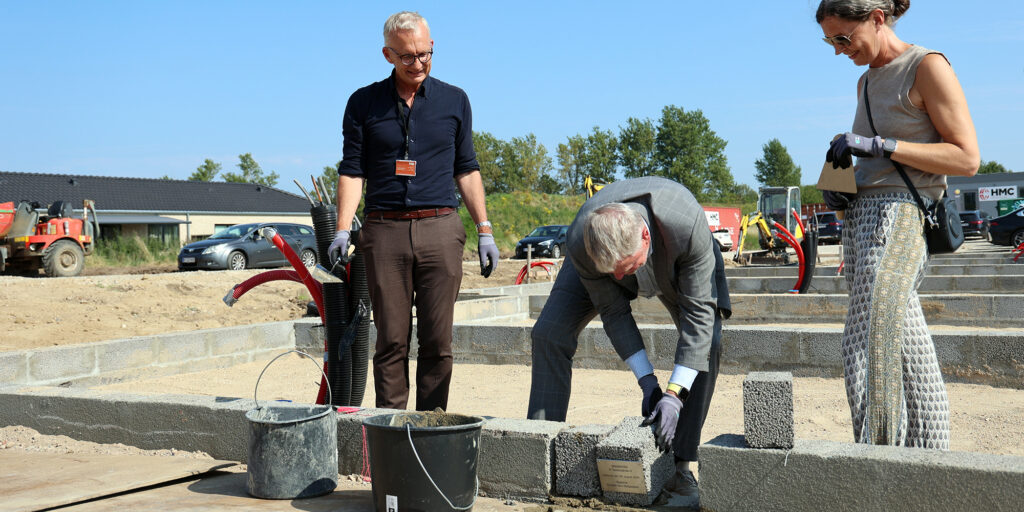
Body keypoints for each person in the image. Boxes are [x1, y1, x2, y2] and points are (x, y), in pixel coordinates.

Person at [817, 0, 979, 449]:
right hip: (862, 219)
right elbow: (872, 162)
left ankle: (881, 457)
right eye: (829, 41)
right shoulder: (864, 82)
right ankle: (927, 458)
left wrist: (881, 144)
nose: (837, 50)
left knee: (869, 340)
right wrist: (839, 185)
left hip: (904, 215)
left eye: (844, 38)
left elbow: (966, 157)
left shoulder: (926, 66)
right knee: (904, 343)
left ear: (877, 18)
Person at [330, 11, 499, 412]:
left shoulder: (454, 100)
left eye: (425, 54)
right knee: (391, 341)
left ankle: (430, 430)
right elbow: (352, 171)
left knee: (438, 342)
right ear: (388, 54)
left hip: (440, 228)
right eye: (407, 56)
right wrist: (340, 229)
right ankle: (391, 436)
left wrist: (485, 229)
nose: (418, 63)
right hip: (384, 232)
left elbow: (467, 168)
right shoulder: (363, 104)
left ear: (432, 47)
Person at [527, 176, 730, 495]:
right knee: (549, 334)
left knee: (708, 344)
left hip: (677, 261)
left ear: (645, 237)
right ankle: (540, 450)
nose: (619, 278)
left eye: (624, 267)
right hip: (599, 258)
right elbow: (614, 311)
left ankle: (679, 465)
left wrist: (674, 395)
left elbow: (698, 322)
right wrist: (647, 382)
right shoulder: (584, 240)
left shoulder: (686, 226)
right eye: (613, 273)